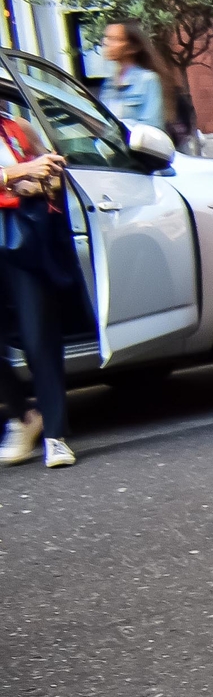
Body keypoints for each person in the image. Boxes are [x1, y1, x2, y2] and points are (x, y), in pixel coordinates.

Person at [0, 106, 77, 469]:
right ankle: (24, 416)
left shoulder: (17, 128)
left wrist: (41, 177)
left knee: (38, 336)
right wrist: (18, 172)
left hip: (21, 238)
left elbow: (55, 175)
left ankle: (55, 435)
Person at [98, 22, 172, 136]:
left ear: (131, 48)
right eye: (106, 37)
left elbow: (152, 128)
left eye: (114, 39)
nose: (106, 43)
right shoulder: (109, 84)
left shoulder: (147, 80)